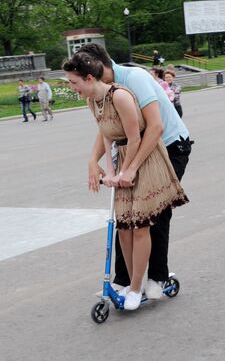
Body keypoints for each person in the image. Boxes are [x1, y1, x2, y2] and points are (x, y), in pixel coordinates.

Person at [63, 52, 188, 310]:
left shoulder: (134, 80)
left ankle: (156, 278)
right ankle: (127, 279)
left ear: (97, 70)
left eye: (74, 82)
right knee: (125, 223)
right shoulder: (100, 95)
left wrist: (129, 170)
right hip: (132, 153)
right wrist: (96, 162)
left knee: (154, 217)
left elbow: (154, 128)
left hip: (169, 147)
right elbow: (108, 129)